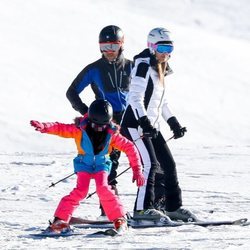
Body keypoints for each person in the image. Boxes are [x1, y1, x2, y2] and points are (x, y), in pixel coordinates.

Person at [30, 99, 145, 234]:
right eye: (96, 125)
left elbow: (130, 147)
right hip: (84, 164)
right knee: (81, 190)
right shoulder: (79, 129)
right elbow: (60, 128)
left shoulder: (112, 134)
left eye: (103, 126)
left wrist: (137, 169)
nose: (99, 129)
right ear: (89, 120)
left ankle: (119, 218)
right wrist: (45, 126)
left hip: (101, 164)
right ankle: (60, 220)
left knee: (103, 188)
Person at [120, 27, 198, 222]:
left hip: (151, 127)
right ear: (151, 46)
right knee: (150, 164)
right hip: (134, 125)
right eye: (162, 48)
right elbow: (135, 97)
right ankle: (142, 210)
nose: (166, 53)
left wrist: (174, 123)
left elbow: (160, 102)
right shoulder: (144, 66)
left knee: (169, 165)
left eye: (169, 49)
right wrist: (144, 122)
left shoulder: (160, 69)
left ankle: (173, 207)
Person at [66, 25, 133, 216]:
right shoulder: (94, 69)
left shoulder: (132, 66)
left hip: (131, 120)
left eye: (113, 46)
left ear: (121, 45)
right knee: (110, 164)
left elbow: (147, 88)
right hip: (107, 124)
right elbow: (71, 92)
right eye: (104, 47)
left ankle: (151, 205)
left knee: (145, 160)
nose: (109, 51)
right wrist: (89, 114)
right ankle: (111, 209)